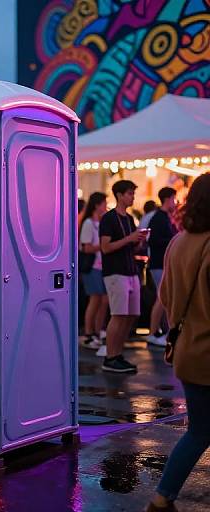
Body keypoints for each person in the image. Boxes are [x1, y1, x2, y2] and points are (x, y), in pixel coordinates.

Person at [146, 173, 210, 512]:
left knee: (199, 430)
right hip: (207, 350)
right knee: (200, 431)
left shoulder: (179, 242)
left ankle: (161, 497)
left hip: (187, 350)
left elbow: (166, 297)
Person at [99, 180, 148, 373]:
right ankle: (110, 357)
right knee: (118, 315)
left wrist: (138, 241)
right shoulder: (108, 218)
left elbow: (129, 245)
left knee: (131, 315)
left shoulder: (128, 219)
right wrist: (129, 239)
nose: (132, 197)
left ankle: (117, 354)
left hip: (130, 270)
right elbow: (105, 247)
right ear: (119, 195)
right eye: (129, 193)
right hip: (115, 271)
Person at [147, 187, 178, 348]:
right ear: (167, 199)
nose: (175, 202)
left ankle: (162, 331)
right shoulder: (159, 218)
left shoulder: (164, 217)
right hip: (159, 263)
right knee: (161, 297)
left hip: (163, 263)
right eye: (174, 198)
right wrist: (173, 241)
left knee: (164, 298)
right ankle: (152, 333)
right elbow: (153, 241)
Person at [79, 192, 108, 350]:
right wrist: (103, 246)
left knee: (103, 300)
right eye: (104, 203)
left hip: (101, 266)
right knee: (95, 299)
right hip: (92, 267)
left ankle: (98, 330)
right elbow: (86, 247)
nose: (105, 206)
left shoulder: (100, 222)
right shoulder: (89, 223)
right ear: (97, 205)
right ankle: (90, 332)